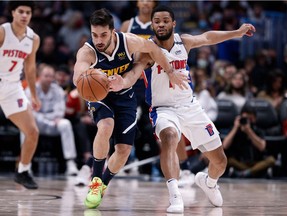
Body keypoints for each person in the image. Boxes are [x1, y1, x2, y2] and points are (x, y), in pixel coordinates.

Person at [109, 5, 256, 213]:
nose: (161, 25)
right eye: (157, 21)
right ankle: (175, 196)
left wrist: (237, 32)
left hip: (190, 107)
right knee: (169, 138)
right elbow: (134, 74)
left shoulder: (183, 41)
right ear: (152, 24)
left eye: (165, 21)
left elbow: (208, 37)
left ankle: (209, 183)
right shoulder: (147, 50)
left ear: (173, 23)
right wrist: (121, 83)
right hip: (163, 109)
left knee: (220, 162)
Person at [73, 8, 186, 209]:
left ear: (113, 32)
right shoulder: (87, 51)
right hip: (101, 96)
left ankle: (104, 183)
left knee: (124, 150)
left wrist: (169, 71)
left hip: (125, 95)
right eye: (94, 34)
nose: (98, 39)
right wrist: (91, 78)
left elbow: (153, 50)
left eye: (103, 34)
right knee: (106, 126)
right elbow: (78, 76)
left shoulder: (129, 41)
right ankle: (96, 178)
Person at [0, 1, 41, 189]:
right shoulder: (2, 31)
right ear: (13, 13)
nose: (25, 15)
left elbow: (30, 68)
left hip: (13, 87)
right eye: (21, 11)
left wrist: (33, 95)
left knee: (32, 132)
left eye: (28, 12)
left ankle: (23, 171)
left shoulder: (33, 38)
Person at [120, 0, 159, 176]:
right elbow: (118, 53)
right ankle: (121, 160)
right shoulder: (128, 25)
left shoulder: (159, 24)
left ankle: (152, 166)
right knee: (127, 121)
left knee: (154, 125)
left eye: (149, 0)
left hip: (154, 80)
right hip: (132, 80)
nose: (145, 3)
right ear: (137, 3)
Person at [25, 64, 79, 176]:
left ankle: (70, 163)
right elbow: (30, 112)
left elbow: (60, 111)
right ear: (39, 76)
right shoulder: (31, 90)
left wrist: (50, 118)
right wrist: (47, 118)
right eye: (46, 76)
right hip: (37, 124)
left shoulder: (58, 90)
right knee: (26, 126)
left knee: (66, 124)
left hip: (53, 124)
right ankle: (26, 164)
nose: (49, 78)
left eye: (51, 76)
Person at [222, 105, 276, 178]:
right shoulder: (235, 130)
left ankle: (248, 172)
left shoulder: (258, 130)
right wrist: (235, 128)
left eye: (250, 118)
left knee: (271, 160)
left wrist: (249, 131)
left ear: (255, 118)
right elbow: (225, 145)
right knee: (228, 160)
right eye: (245, 118)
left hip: (256, 163)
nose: (248, 121)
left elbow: (262, 147)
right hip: (241, 163)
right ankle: (251, 172)